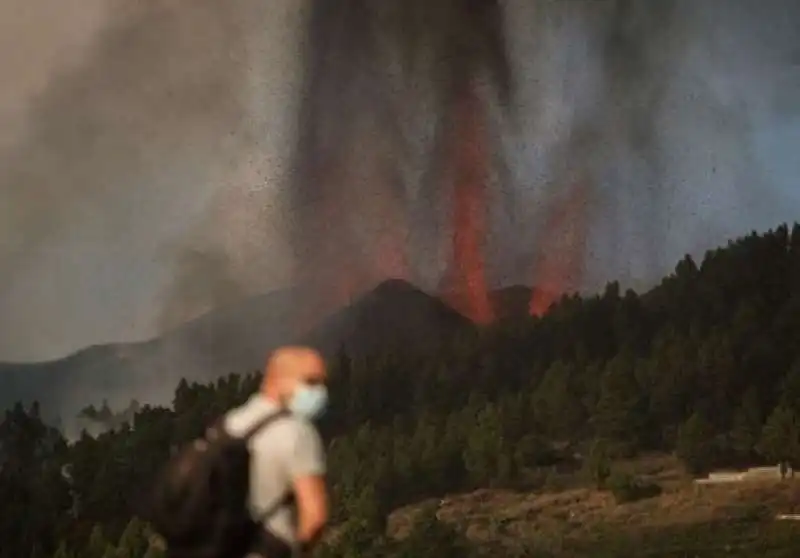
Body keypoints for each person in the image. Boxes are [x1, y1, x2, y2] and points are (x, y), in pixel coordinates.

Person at [224, 346, 330, 558]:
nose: (319, 392)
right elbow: (315, 516)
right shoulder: (296, 432)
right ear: (281, 381)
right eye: (311, 382)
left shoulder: (230, 423)